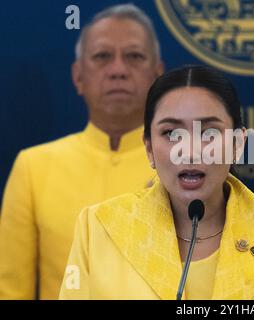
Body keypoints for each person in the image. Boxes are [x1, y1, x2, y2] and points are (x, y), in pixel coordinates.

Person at [59, 65, 254, 300]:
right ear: (149, 148)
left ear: (238, 144)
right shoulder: (100, 227)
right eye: (172, 133)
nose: (191, 150)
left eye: (209, 133)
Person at [0, 4, 164, 299]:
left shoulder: (188, 167)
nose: (118, 70)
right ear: (78, 77)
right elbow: (10, 292)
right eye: (102, 57)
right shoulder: (32, 167)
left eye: (134, 56)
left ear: (158, 75)